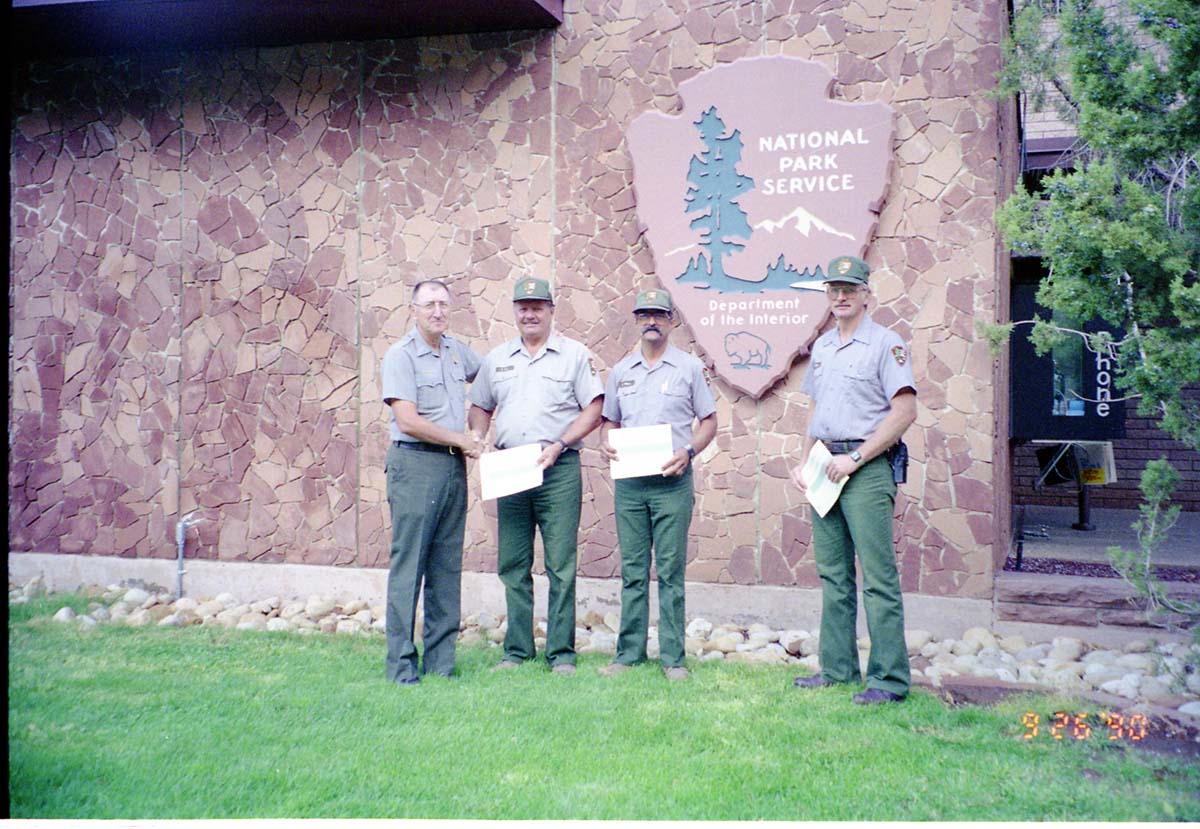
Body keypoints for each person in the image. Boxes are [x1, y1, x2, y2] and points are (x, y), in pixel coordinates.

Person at [789, 255, 917, 704]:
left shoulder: (887, 344)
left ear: (866, 295)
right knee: (833, 575)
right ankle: (838, 670)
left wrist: (857, 458)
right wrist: (804, 461)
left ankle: (888, 681)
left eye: (849, 289)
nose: (840, 297)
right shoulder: (823, 347)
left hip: (865, 469)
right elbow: (815, 410)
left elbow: (904, 412)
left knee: (878, 577)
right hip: (825, 466)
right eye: (834, 290)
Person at [468, 277, 604, 676]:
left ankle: (561, 653)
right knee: (513, 562)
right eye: (523, 306)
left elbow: (593, 409)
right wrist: (480, 438)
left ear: (550, 311)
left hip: (558, 466)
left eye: (537, 306)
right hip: (511, 468)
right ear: (514, 311)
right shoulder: (497, 359)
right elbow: (480, 406)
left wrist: (560, 444)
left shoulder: (574, 355)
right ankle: (517, 650)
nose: (529, 313)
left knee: (561, 563)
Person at [597, 289, 717, 681]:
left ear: (671, 321)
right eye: (645, 315)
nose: (652, 321)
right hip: (631, 485)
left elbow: (709, 422)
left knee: (669, 570)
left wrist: (688, 451)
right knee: (633, 570)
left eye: (659, 315)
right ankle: (629, 653)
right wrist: (607, 443)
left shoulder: (688, 369)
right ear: (636, 321)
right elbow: (610, 422)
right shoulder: (620, 371)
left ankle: (673, 659)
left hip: (672, 483)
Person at [380, 279, 482, 685]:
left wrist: (478, 427)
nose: (437, 311)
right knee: (409, 567)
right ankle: (402, 665)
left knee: (445, 566)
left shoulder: (457, 352)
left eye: (443, 304)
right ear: (413, 310)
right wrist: (461, 437)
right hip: (414, 465)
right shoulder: (400, 356)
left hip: (451, 468)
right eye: (429, 305)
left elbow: (491, 379)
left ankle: (441, 664)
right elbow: (406, 419)